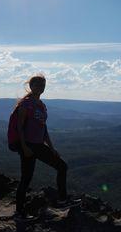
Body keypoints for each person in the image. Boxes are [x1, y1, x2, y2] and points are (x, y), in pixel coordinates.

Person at [11, 74, 81, 221]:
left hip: (38, 144)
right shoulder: (26, 104)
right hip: (29, 145)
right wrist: (24, 147)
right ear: (31, 86)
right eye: (38, 85)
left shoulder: (41, 105)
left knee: (61, 166)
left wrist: (51, 147)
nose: (41, 88)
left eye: (43, 85)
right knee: (28, 178)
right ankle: (20, 212)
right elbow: (20, 128)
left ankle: (62, 200)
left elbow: (43, 128)